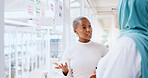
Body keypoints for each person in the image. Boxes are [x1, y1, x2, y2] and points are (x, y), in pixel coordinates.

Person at [92, 0, 148, 78]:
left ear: (127, 13)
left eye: (117, 10)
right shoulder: (142, 39)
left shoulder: (128, 44)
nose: (115, 14)